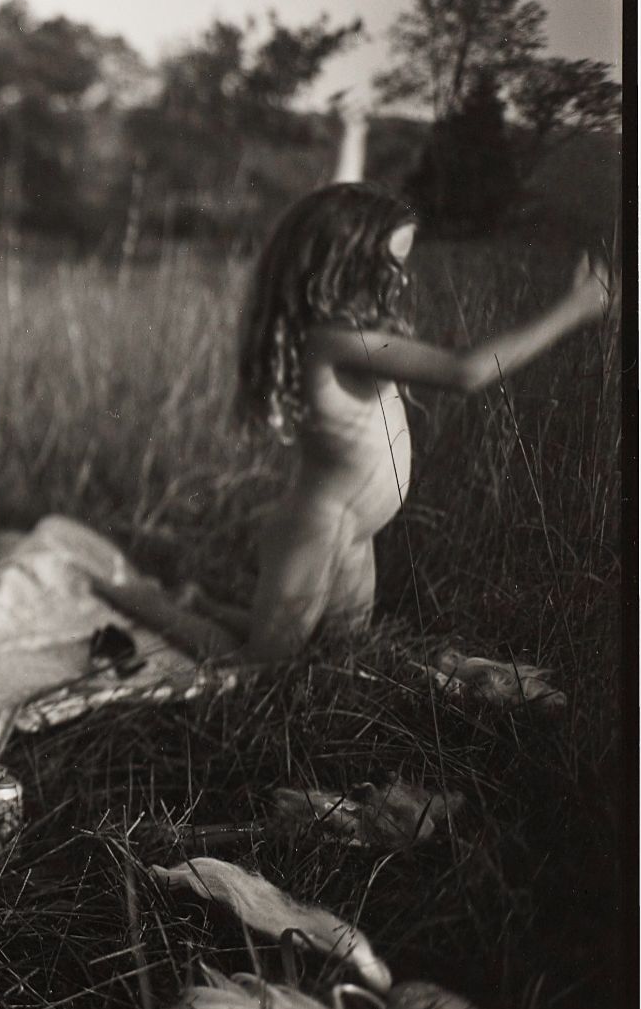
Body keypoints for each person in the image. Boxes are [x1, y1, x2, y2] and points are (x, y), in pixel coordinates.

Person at [219, 181, 616, 661]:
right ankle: (152, 604)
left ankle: (203, 606)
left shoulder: (350, 336)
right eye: (390, 265)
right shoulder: (332, 340)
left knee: (344, 655)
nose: (399, 280)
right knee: (264, 671)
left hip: (353, 532)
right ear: (344, 266)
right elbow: (464, 371)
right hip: (316, 530)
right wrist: (573, 310)